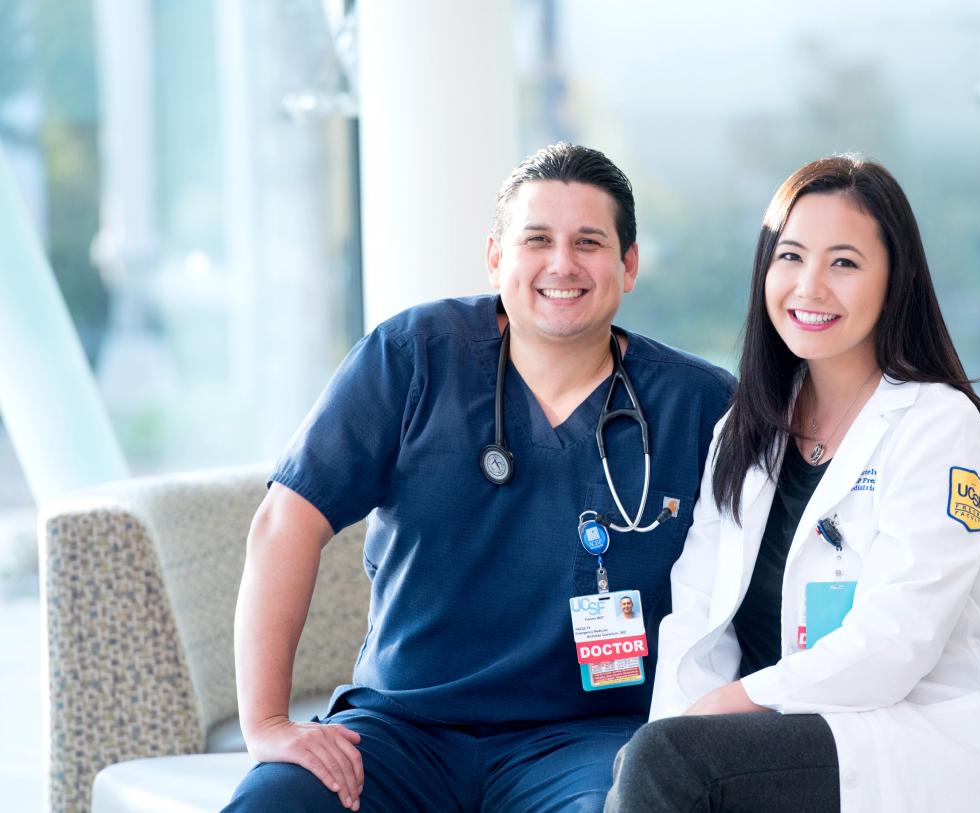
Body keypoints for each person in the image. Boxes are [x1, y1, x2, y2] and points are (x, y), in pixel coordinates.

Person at [224, 143, 734, 813]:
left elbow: (758, 581)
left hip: (589, 740)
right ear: (496, 257)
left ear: (627, 264)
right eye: (537, 240)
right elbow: (287, 522)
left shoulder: (697, 404)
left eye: (588, 241)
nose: (561, 264)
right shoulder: (412, 358)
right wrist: (266, 724)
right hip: (398, 732)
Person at [607, 155, 980, 812]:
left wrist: (728, 707)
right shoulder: (746, 430)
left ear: (896, 279)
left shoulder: (939, 427)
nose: (809, 286)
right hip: (773, 741)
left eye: (844, 263)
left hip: (908, 741)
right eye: (791, 256)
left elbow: (895, 642)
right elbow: (695, 618)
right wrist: (679, 723)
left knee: (666, 761)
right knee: (652, 757)